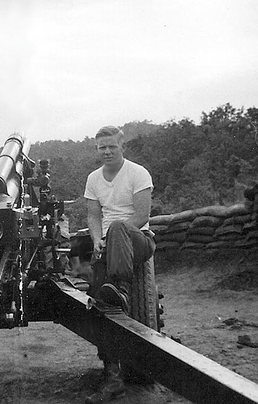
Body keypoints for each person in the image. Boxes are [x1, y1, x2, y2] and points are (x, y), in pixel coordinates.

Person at [83, 125, 155, 403]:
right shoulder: (93, 179)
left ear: (122, 146)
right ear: (97, 149)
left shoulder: (138, 173)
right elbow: (92, 216)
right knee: (99, 306)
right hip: (109, 244)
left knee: (116, 227)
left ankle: (122, 287)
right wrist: (96, 240)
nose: (107, 151)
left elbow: (141, 214)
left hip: (138, 239)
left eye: (112, 145)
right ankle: (113, 379)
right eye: (102, 147)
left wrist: (114, 233)